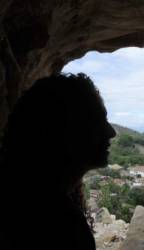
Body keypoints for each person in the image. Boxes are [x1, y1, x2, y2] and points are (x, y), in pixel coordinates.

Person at [0, 73, 116, 250]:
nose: (111, 132)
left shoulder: (22, 199)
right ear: (61, 129)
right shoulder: (51, 221)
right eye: (96, 121)